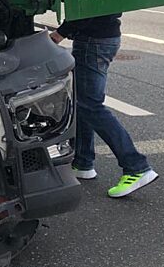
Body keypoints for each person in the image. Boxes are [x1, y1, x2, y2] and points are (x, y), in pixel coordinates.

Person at [51, 13, 158, 198]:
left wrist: (59, 34)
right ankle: (83, 162)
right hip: (103, 37)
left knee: (91, 106)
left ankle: (136, 167)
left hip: (93, 41)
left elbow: (87, 8)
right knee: (83, 103)